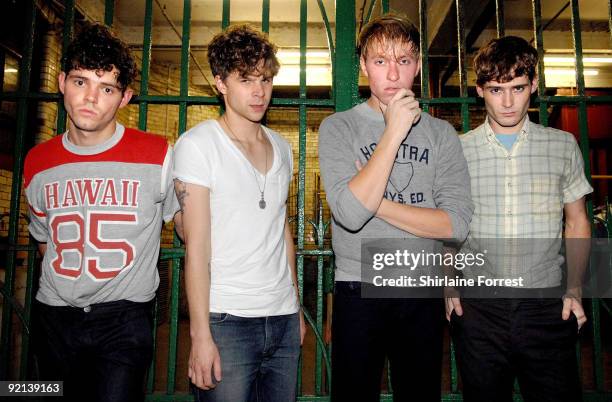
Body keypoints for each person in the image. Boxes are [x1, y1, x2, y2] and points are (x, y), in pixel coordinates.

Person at [318, 14, 473, 402]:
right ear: (364, 67)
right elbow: (349, 215)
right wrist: (393, 132)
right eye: (381, 61)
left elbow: (455, 225)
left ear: (417, 66)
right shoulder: (338, 128)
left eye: (403, 61)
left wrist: (377, 202)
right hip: (358, 286)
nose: (393, 74)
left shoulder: (441, 135)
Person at [23, 23, 179, 401]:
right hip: (54, 316)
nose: (90, 98)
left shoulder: (157, 154)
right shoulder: (37, 161)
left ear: (125, 97)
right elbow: (46, 242)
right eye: (80, 82)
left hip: (124, 319)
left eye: (106, 88)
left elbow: (189, 224)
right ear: (61, 82)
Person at [447, 36, 592, 402]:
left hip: (547, 306)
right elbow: (445, 226)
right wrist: (448, 285)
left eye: (517, 88)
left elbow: (576, 222)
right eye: (496, 89)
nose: (508, 101)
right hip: (479, 309)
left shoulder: (562, 145)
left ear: (534, 86)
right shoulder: (458, 150)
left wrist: (574, 288)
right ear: (479, 90)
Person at [172, 24, 306, 402]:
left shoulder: (282, 148)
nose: (259, 90)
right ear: (220, 82)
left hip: (281, 319)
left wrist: (294, 307)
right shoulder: (198, 146)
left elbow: (281, 231)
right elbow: (196, 247)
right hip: (226, 320)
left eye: (265, 79)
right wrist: (200, 335)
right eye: (246, 79)